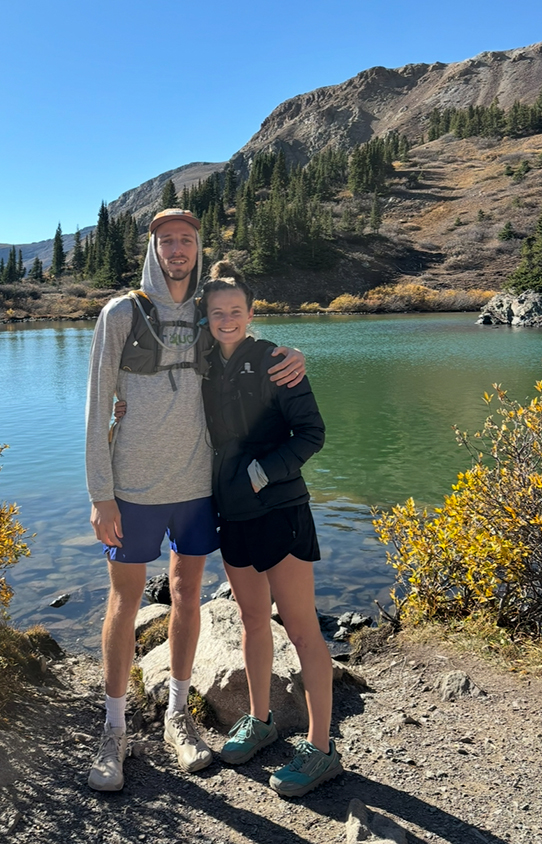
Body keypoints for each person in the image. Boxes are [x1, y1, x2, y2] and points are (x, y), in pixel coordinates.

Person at [85, 208, 305, 792]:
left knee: (187, 596)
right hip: (132, 489)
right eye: (167, 240)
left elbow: (246, 342)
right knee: (124, 603)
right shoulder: (122, 313)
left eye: (186, 240)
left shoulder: (209, 316)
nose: (177, 249)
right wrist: (99, 494)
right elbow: (94, 406)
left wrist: (296, 357)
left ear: (198, 247)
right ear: (152, 248)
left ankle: (178, 718)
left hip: (199, 488)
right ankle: (113, 731)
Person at [200, 260, 342, 797]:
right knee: (253, 620)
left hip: (280, 513)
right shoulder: (204, 364)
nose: (228, 319)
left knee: (303, 629)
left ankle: (322, 748)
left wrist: (262, 473)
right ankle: (259, 722)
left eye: (237, 311)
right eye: (218, 312)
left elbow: (311, 433)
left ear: (251, 313)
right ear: (207, 317)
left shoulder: (278, 362)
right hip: (232, 517)